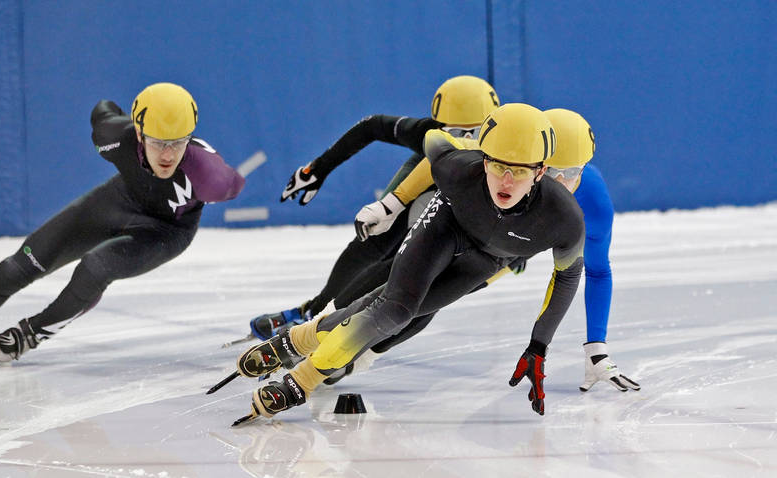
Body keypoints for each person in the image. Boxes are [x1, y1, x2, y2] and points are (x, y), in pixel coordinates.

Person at [226, 103, 585, 422]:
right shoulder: (458, 167)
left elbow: (567, 278)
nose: (506, 180)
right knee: (393, 310)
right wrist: (392, 203)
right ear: (483, 158)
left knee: (405, 312)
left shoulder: (564, 218)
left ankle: (295, 341)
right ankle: (301, 382)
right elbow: (431, 140)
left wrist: (538, 346)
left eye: (519, 171)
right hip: (447, 225)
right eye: (497, 165)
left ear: (540, 172)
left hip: (489, 258)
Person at [0, 82, 245, 363]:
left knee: (95, 267)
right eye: (157, 142)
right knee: (22, 263)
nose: (168, 155)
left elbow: (234, 184)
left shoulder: (210, 175)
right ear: (139, 133)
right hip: (118, 201)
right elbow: (102, 111)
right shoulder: (114, 137)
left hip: (166, 231)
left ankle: (30, 333)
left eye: (177, 143)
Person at [325, 108, 640, 392]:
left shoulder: (593, 205)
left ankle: (358, 354)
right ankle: (323, 323)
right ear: (539, 166)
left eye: (570, 173)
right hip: (465, 218)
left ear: (583, 169)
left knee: (428, 304)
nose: (558, 182)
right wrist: (392, 204)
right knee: (399, 280)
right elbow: (442, 156)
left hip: (503, 251)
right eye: (553, 170)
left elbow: (596, 272)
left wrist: (596, 349)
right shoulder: (515, 147)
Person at [247, 75, 501, 340]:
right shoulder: (437, 137)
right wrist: (319, 169)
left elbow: (372, 125)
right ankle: (318, 311)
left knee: (411, 261)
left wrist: (318, 169)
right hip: (425, 188)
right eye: (454, 135)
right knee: (378, 241)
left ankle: (327, 318)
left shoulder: (473, 145)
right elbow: (372, 126)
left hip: (460, 206)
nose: (465, 143)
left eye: (475, 135)